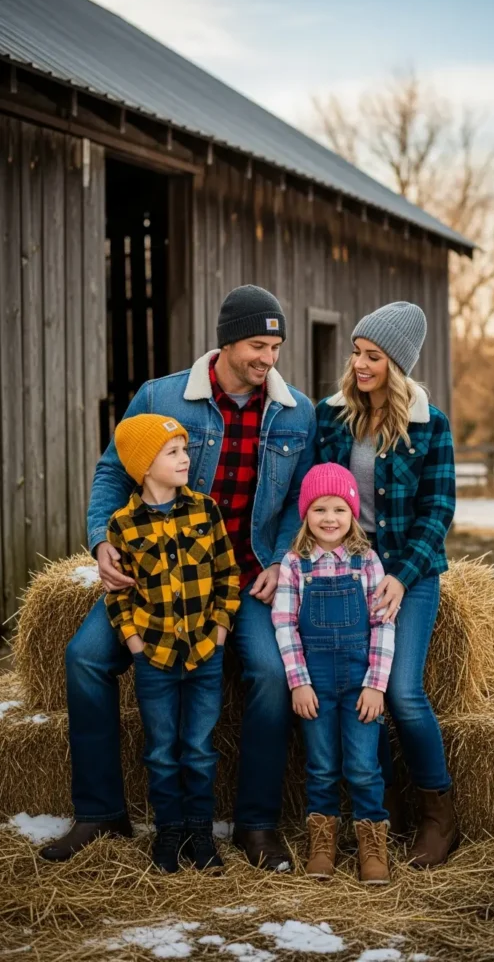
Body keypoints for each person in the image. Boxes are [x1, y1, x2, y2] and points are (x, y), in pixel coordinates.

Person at [40, 285, 316, 869]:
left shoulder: (297, 412)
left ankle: (257, 824)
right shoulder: (161, 396)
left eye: (276, 346)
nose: (268, 359)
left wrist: (280, 562)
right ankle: (99, 812)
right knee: (84, 658)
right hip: (154, 578)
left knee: (271, 672)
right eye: (256, 345)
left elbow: (298, 499)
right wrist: (101, 544)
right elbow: (112, 473)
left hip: (243, 578)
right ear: (225, 342)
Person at [315, 302, 458, 869]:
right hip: (346, 574)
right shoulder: (334, 418)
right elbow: (319, 493)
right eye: (355, 352)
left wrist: (400, 576)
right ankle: (386, 807)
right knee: (355, 692)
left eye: (372, 356)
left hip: (410, 573)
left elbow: (438, 509)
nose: (358, 364)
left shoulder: (430, 425)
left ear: (397, 363)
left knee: (400, 692)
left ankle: (439, 816)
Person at [104, 414, 240, 874]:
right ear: (144, 466)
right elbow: (118, 594)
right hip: (154, 658)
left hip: (205, 653)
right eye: (174, 452)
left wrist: (220, 631)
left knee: (199, 748)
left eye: (184, 449)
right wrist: (134, 643)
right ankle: (169, 832)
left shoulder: (205, 510)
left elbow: (227, 575)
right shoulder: (122, 525)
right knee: (161, 751)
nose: (187, 458)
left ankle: (201, 833)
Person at [272, 463, 395, 883]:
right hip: (316, 683)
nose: (329, 518)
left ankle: (371, 841)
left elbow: (382, 625)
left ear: (353, 513)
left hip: (362, 682)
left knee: (363, 765)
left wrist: (377, 686)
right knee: (322, 765)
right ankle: (321, 839)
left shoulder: (367, 561)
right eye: (319, 508)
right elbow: (285, 624)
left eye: (339, 509)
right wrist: (299, 682)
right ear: (305, 513)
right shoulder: (294, 564)